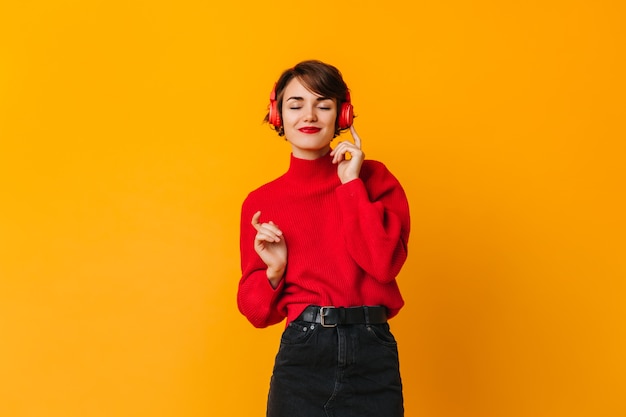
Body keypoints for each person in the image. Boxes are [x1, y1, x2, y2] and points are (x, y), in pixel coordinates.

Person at [237, 60, 411, 417]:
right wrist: (275, 270)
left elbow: (383, 265)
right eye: (296, 104)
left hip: (372, 352)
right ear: (278, 116)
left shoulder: (374, 180)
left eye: (324, 104)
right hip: (303, 353)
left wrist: (351, 185)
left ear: (342, 115)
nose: (309, 115)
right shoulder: (261, 201)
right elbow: (255, 311)